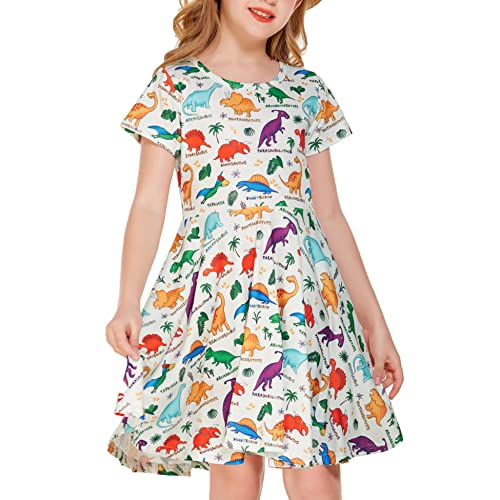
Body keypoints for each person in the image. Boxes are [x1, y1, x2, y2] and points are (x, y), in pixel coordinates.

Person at [105, 0, 404, 498]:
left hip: (302, 303)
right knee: (235, 467)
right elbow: (149, 204)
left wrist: (376, 324)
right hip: (219, 302)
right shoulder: (176, 85)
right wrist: (127, 301)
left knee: (315, 465)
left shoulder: (306, 91)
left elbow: (330, 215)